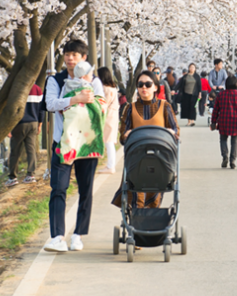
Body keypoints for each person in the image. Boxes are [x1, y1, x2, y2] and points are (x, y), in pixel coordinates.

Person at [44, 39, 105, 253]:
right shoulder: (56, 80)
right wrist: (75, 99)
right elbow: (50, 104)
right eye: (67, 54)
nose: (70, 58)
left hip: (87, 143)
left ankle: (78, 234)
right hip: (63, 143)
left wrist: (89, 97)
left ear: (83, 58)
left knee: (86, 189)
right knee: (58, 188)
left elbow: (102, 106)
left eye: (75, 55)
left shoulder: (94, 81)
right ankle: (57, 237)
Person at [112, 70, 180, 210]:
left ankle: (151, 216)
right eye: (140, 84)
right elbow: (123, 135)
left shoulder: (165, 106)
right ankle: (137, 217)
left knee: (155, 195)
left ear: (155, 87)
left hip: (160, 159)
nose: (144, 87)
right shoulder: (130, 108)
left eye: (148, 84)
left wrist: (171, 132)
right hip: (136, 160)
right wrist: (126, 135)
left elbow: (176, 130)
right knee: (136, 195)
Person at [5, 82, 44, 187]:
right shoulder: (37, 89)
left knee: (15, 151)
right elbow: (41, 109)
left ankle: (13, 177)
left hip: (19, 124)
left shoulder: (17, 88)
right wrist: (40, 124)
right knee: (31, 149)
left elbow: (10, 109)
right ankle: (30, 175)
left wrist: (8, 128)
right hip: (33, 123)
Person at [211, 75, 237, 169]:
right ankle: (232, 161)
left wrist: (213, 122)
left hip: (224, 121)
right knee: (234, 141)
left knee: (223, 139)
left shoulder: (221, 95)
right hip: (236, 121)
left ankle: (225, 156)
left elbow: (215, 110)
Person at [98, 67, 121, 175]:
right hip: (113, 115)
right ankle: (111, 165)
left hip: (108, 116)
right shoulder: (113, 87)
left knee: (108, 141)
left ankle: (110, 166)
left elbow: (104, 104)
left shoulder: (105, 89)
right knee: (110, 141)